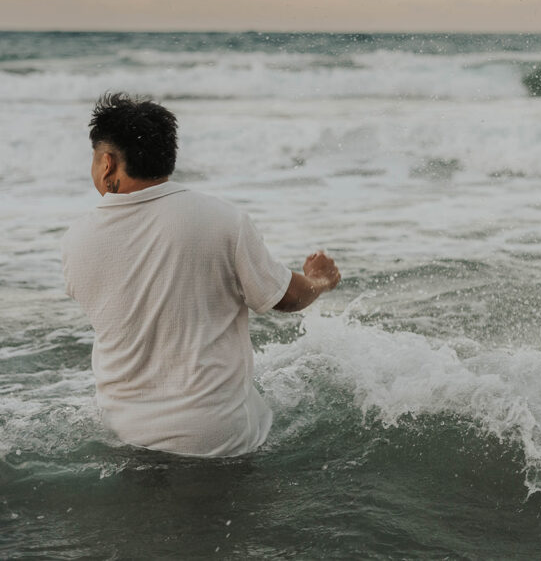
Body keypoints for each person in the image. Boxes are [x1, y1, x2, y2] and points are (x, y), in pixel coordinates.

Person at [61, 93, 341, 457]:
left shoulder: (76, 240)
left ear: (108, 162)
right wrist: (319, 279)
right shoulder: (222, 220)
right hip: (215, 437)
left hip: (124, 432)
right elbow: (286, 298)